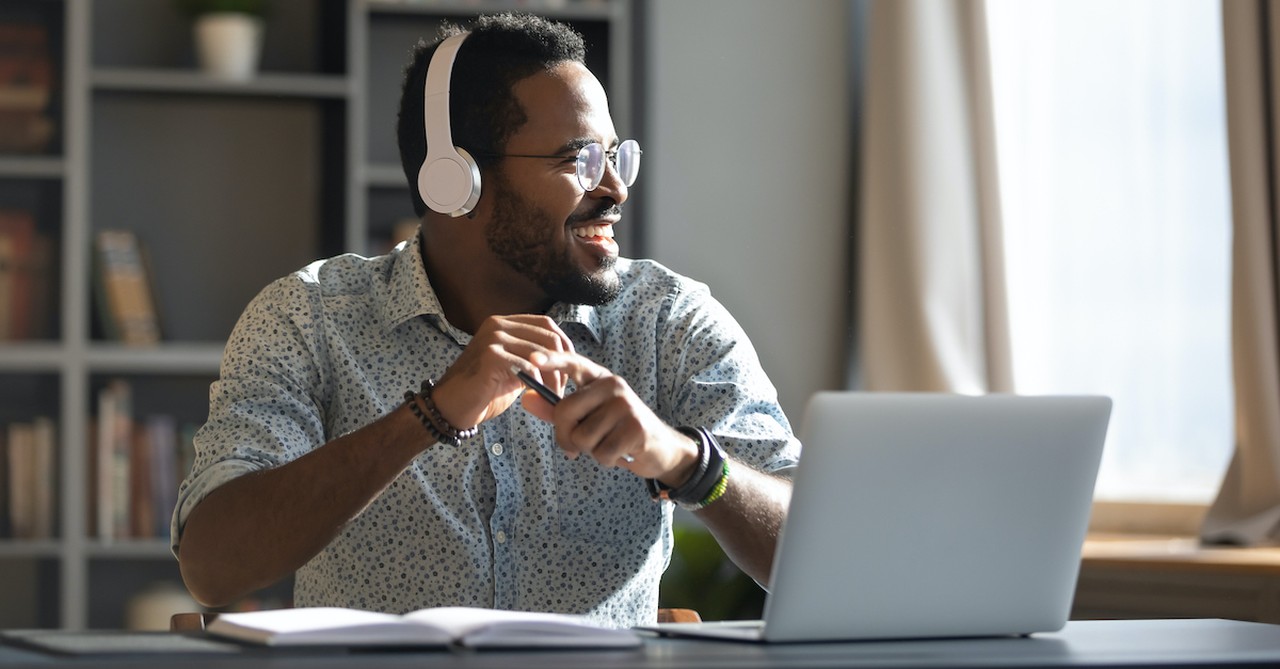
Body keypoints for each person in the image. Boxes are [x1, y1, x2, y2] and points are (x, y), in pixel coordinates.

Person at [171, 13, 798, 629]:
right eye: (578, 160)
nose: (614, 188)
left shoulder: (668, 320)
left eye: (615, 156)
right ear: (457, 181)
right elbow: (213, 565)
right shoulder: (310, 317)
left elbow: (820, 545)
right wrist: (430, 415)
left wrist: (689, 462)